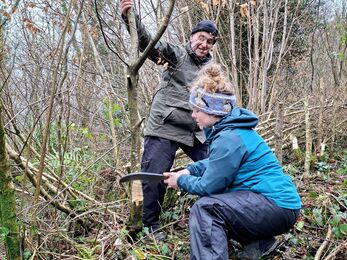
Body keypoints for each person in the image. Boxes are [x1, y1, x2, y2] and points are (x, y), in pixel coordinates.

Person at [163, 63, 301, 259]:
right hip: (280, 206)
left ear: (212, 110)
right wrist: (189, 170)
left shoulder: (229, 138)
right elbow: (217, 164)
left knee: (206, 209)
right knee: (222, 202)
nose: (193, 115)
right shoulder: (230, 132)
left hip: (275, 205)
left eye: (196, 110)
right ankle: (259, 243)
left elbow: (208, 186)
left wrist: (181, 181)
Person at [119, 0, 219, 239]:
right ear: (192, 36)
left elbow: (219, 99)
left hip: (196, 129)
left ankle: (217, 215)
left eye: (209, 41)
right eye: (200, 38)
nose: (203, 44)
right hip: (166, 124)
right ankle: (150, 225)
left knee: (216, 166)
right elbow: (149, 44)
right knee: (154, 173)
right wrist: (129, 17)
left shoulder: (212, 69)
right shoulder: (176, 54)